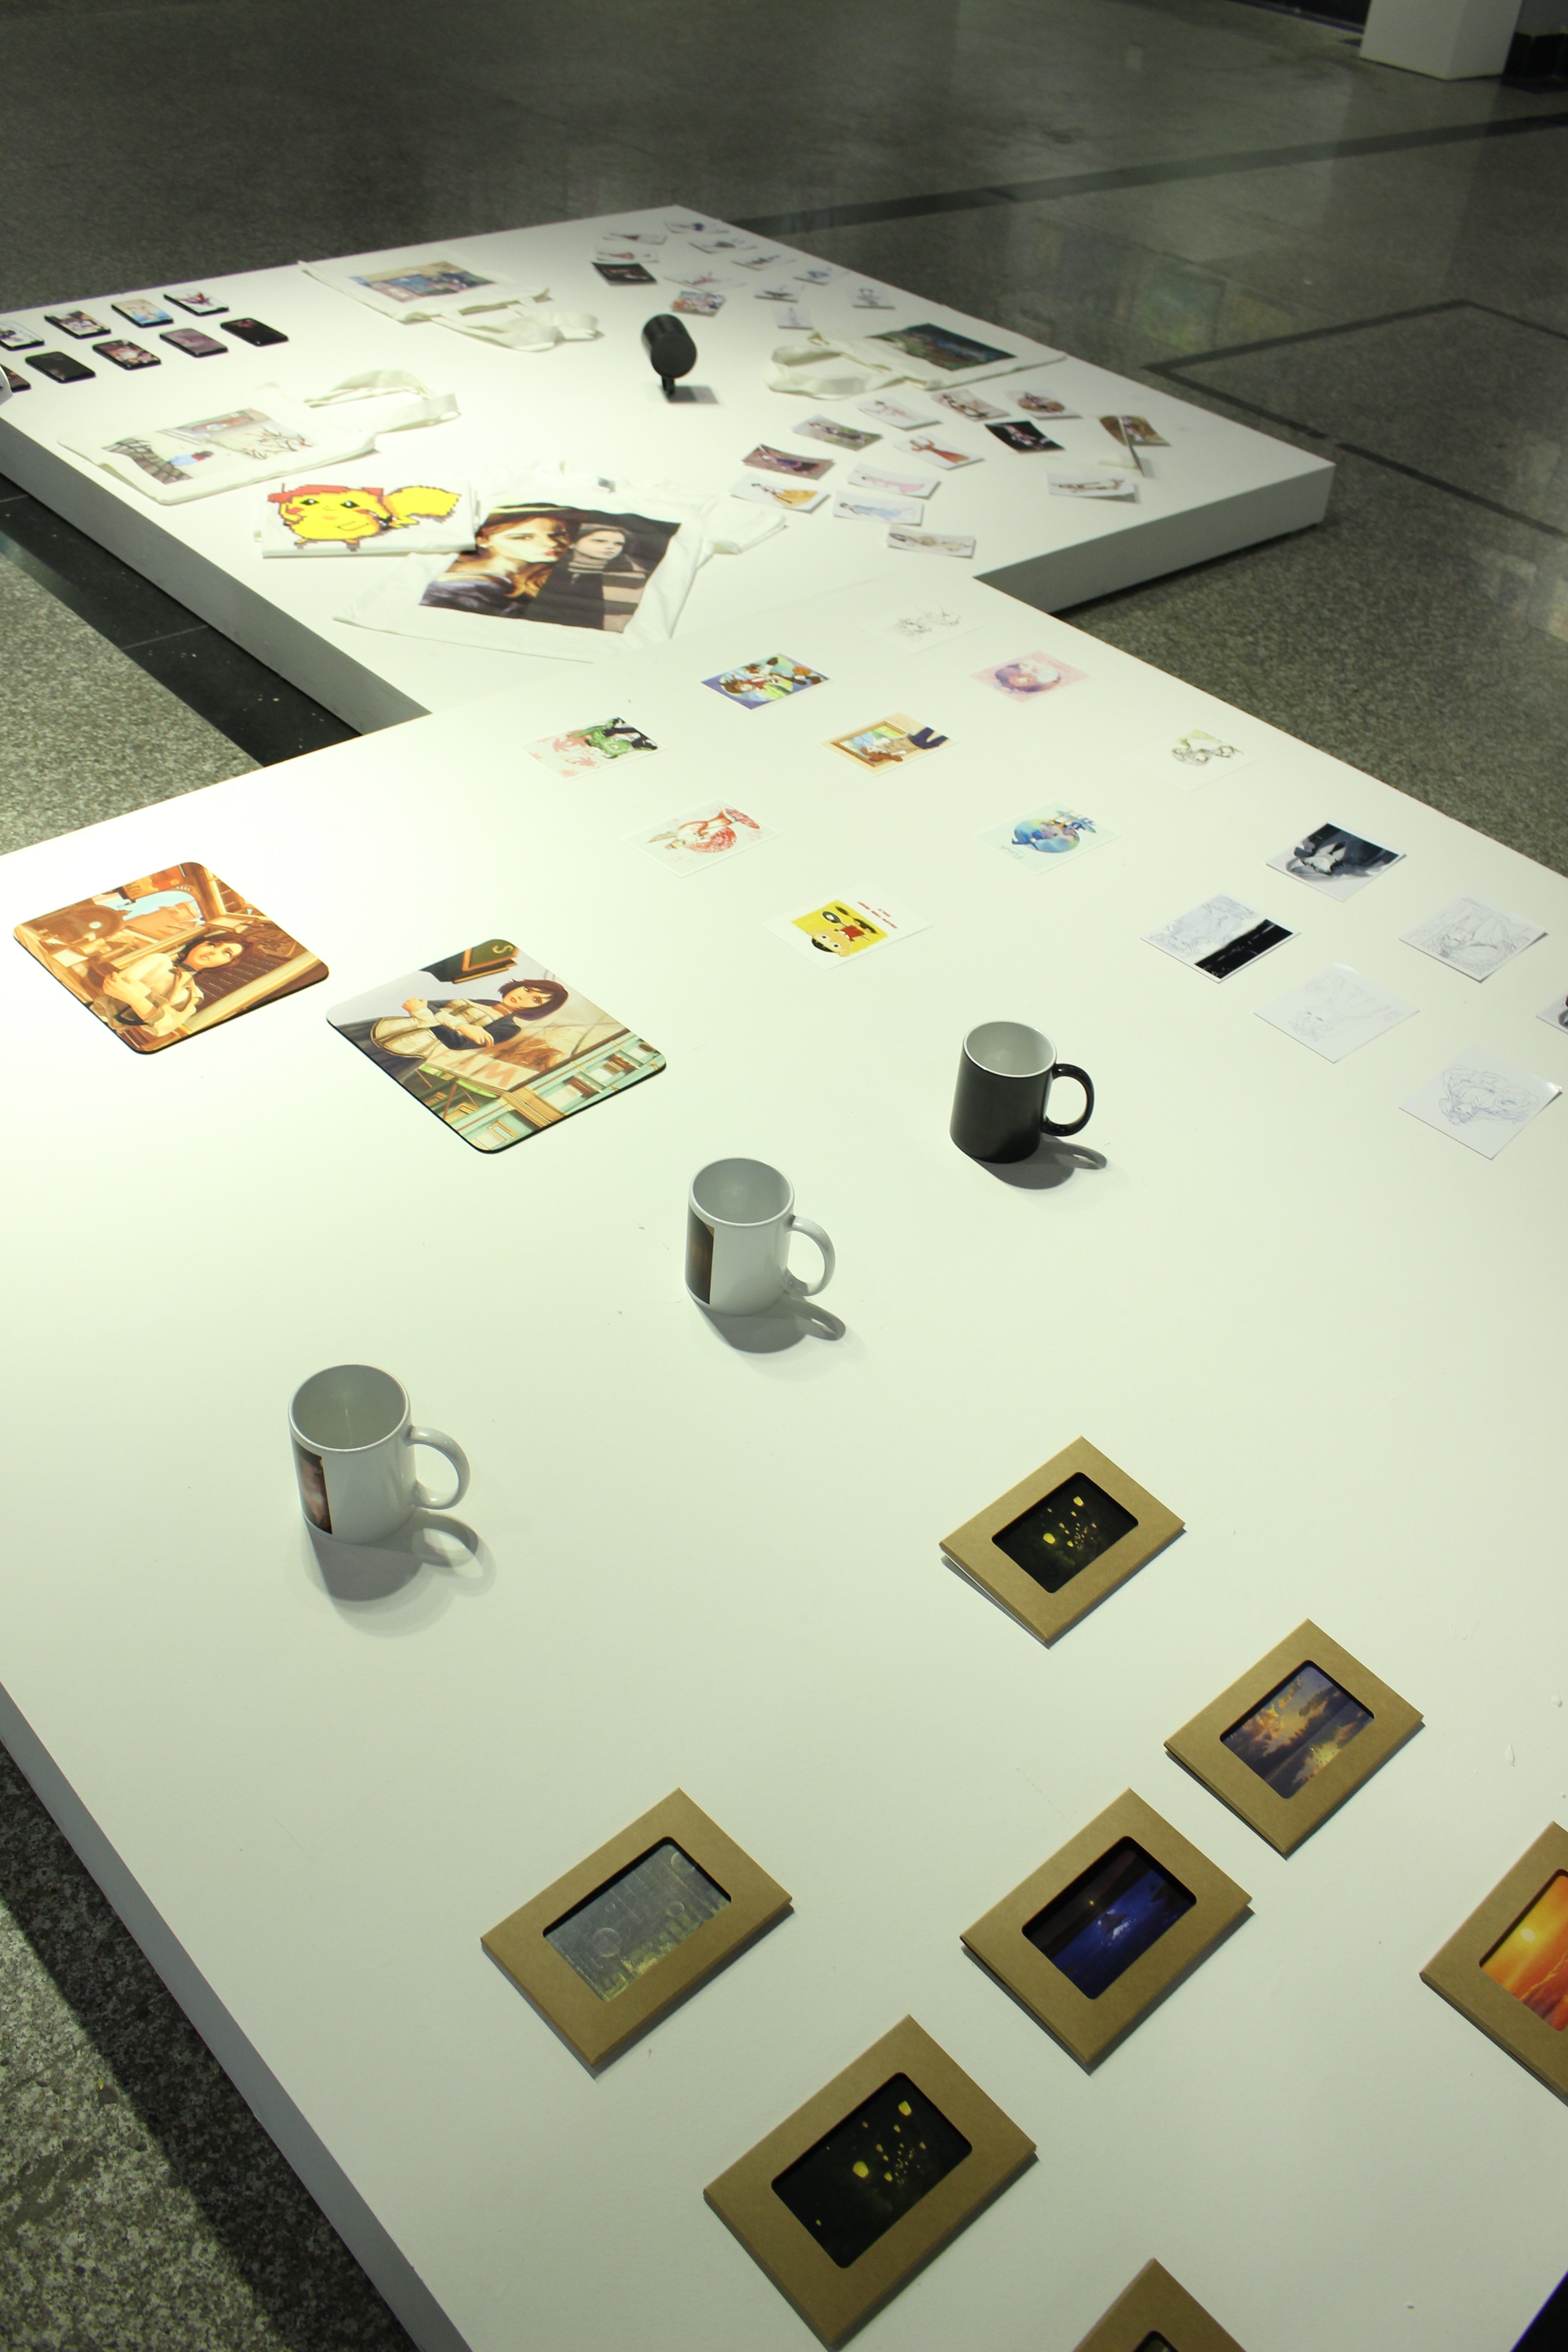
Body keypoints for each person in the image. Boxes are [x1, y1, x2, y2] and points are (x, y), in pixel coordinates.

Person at [92, 929, 246, 1039]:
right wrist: (154, 1012)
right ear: (199, 944)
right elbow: (116, 987)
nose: (213, 952)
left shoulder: (194, 995)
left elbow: (164, 1028)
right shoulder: (160, 961)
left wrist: (136, 999)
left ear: (227, 964)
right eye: (212, 944)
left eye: (227, 953)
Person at [420, 510, 573, 616]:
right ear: (483, 540)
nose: (551, 544)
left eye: (559, 535)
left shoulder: (543, 574)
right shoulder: (458, 586)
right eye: (524, 537)